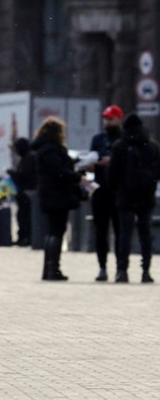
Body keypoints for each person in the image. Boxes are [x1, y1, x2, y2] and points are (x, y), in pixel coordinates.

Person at [108, 113, 160, 283]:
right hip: (146, 196)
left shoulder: (120, 146)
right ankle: (146, 271)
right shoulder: (152, 146)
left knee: (125, 233)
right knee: (145, 233)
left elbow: (112, 173)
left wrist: (115, 189)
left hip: (125, 195)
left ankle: (122, 270)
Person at [32, 116, 83, 281]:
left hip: (48, 194)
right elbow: (59, 172)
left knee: (51, 231)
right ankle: (53, 269)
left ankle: (48, 268)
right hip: (57, 195)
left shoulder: (43, 149)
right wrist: (77, 176)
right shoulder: (52, 150)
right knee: (57, 231)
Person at [86, 105, 124, 280]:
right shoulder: (98, 139)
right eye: (105, 118)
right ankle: (102, 267)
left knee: (120, 231)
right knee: (101, 231)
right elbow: (91, 158)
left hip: (119, 191)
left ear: (119, 119)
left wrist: (113, 162)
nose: (107, 122)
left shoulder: (124, 139)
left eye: (110, 118)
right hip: (100, 190)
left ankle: (120, 268)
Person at [7, 137, 38, 246]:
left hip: (27, 193)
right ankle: (23, 237)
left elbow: (23, 176)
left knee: (25, 217)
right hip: (25, 193)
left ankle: (25, 238)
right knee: (22, 216)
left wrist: (12, 173)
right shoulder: (28, 157)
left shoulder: (29, 158)